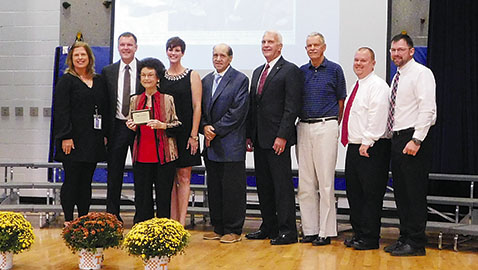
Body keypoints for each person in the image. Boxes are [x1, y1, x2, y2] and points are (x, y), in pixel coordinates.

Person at [245, 31, 302, 245]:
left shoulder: (290, 70)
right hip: (259, 139)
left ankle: (287, 231)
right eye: (263, 42)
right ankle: (269, 226)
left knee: (282, 186)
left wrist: (282, 136)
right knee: (264, 186)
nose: (266, 45)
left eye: (270, 42)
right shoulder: (258, 71)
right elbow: (254, 105)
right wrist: (250, 135)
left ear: (280, 47)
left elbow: (291, 106)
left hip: (278, 140)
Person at [385, 33, 436, 256]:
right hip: (397, 139)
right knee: (402, 194)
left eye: (400, 50)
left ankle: (416, 243)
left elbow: (428, 110)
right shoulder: (397, 77)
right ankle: (404, 237)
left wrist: (416, 139)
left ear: (411, 51)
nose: (396, 54)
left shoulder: (421, 74)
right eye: (393, 50)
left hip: (413, 139)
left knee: (414, 194)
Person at [296, 32, 346, 246]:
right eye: (309, 46)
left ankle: (325, 231)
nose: (312, 48)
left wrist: (334, 124)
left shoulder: (335, 70)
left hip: (326, 125)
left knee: (325, 182)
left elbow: (341, 101)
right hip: (304, 126)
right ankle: (310, 229)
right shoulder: (301, 72)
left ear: (324, 47)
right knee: (306, 183)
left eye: (316, 45)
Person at [53, 41, 108, 226]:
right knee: (72, 180)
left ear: (89, 58)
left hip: (92, 139)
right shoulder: (66, 81)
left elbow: (104, 108)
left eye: (83, 55)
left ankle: (83, 217)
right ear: (71, 59)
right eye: (76, 55)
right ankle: (69, 219)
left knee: (86, 181)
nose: (80, 58)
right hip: (72, 140)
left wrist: (105, 134)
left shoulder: (99, 80)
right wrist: (65, 136)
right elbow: (61, 111)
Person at [341, 47, 391, 250]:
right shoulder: (356, 85)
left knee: (370, 195)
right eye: (356, 60)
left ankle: (370, 238)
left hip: (371, 147)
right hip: (355, 146)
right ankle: (359, 233)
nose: (358, 64)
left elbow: (377, 116)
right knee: (355, 193)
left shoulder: (378, 86)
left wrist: (367, 141)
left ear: (373, 63)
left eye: (363, 60)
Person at [200, 44, 249, 244]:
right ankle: (218, 227)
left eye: (222, 55)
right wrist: (204, 127)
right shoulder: (206, 80)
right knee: (215, 188)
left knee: (232, 190)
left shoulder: (240, 80)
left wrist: (215, 129)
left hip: (231, 144)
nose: (218, 59)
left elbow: (238, 112)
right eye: (215, 55)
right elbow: (200, 109)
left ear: (230, 58)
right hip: (211, 145)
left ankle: (233, 229)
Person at [125, 58, 181, 224]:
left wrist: (162, 125)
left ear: (158, 78)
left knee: (163, 196)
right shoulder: (135, 100)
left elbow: (177, 124)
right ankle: (143, 230)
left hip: (164, 155)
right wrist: (131, 125)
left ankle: (163, 231)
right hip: (141, 153)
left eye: (150, 75)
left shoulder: (167, 99)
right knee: (142, 197)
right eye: (143, 75)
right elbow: (131, 121)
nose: (147, 78)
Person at [102, 32, 144, 222]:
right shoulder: (108, 71)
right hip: (117, 126)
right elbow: (104, 104)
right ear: (118, 47)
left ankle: (141, 216)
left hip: (140, 127)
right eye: (122, 45)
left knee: (142, 173)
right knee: (114, 173)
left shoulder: (145, 69)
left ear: (136, 47)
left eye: (130, 44)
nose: (126, 48)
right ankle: (112, 215)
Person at [161, 37, 202, 226]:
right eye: (170, 50)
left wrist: (194, 135)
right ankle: (171, 222)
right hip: (167, 133)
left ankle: (181, 222)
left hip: (186, 132)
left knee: (184, 177)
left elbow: (197, 106)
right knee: (169, 179)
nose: (173, 53)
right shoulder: (161, 75)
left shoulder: (192, 75)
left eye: (177, 50)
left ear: (183, 53)